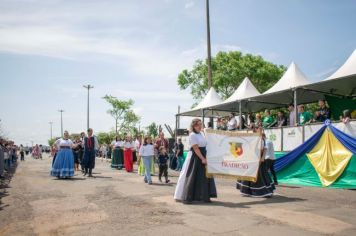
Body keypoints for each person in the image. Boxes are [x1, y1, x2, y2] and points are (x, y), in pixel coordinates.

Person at [174, 118, 217, 204]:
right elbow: (196, 148)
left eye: (201, 124)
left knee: (203, 178)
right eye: (198, 124)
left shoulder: (201, 133)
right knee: (190, 176)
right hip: (195, 157)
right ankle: (183, 195)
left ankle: (202, 196)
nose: (200, 126)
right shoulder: (192, 135)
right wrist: (202, 158)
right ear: (194, 126)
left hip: (202, 155)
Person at [236, 128, 275, 197]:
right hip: (252, 159)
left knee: (260, 176)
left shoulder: (261, 140)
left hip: (258, 160)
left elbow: (264, 149)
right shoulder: (253, 139)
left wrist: (262, 158)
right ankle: (248, 191)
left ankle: (262, 191)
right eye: (255, 131)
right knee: (249, 175)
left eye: (258, 131)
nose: (256, 132)